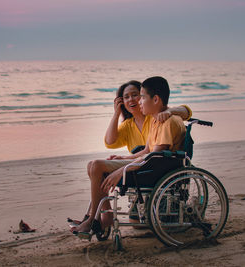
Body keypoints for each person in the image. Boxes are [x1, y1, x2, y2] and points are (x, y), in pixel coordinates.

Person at [72, 76, 186, 236]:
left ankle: (94, 219)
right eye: (127, 97)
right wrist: (124, 159)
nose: (137, 101)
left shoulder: (166, 120)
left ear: (155, 99)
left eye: (141, 96)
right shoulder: (155, 120)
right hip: (144, 164)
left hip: (152, 170)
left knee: (97, 165)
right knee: (92, 165)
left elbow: (155, 157)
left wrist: (122, 169)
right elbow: (147, 151)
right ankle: (100, 216)